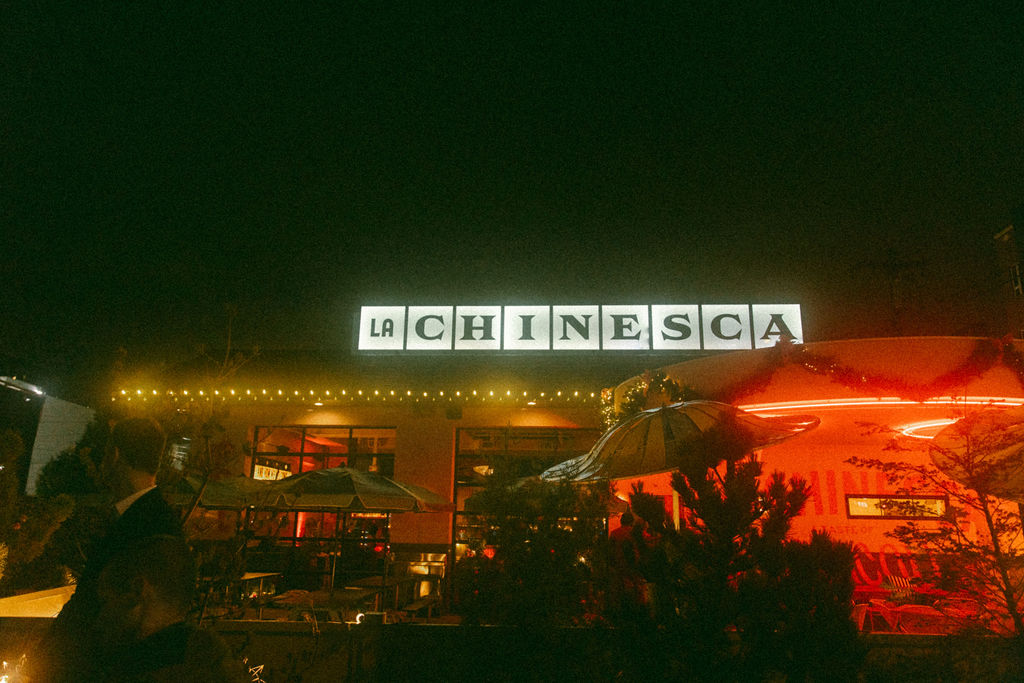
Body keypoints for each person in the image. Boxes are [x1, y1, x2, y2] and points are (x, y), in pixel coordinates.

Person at [34, 417, 183, 681]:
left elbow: (100, 606)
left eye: (104, 452)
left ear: (114, 455)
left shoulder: (142, 524)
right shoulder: (153, 517)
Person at [93, 534, 248, 682]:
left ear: (137, 590)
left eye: (105, 601)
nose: (100, 618)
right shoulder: (208, 662)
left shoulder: (132, 667)